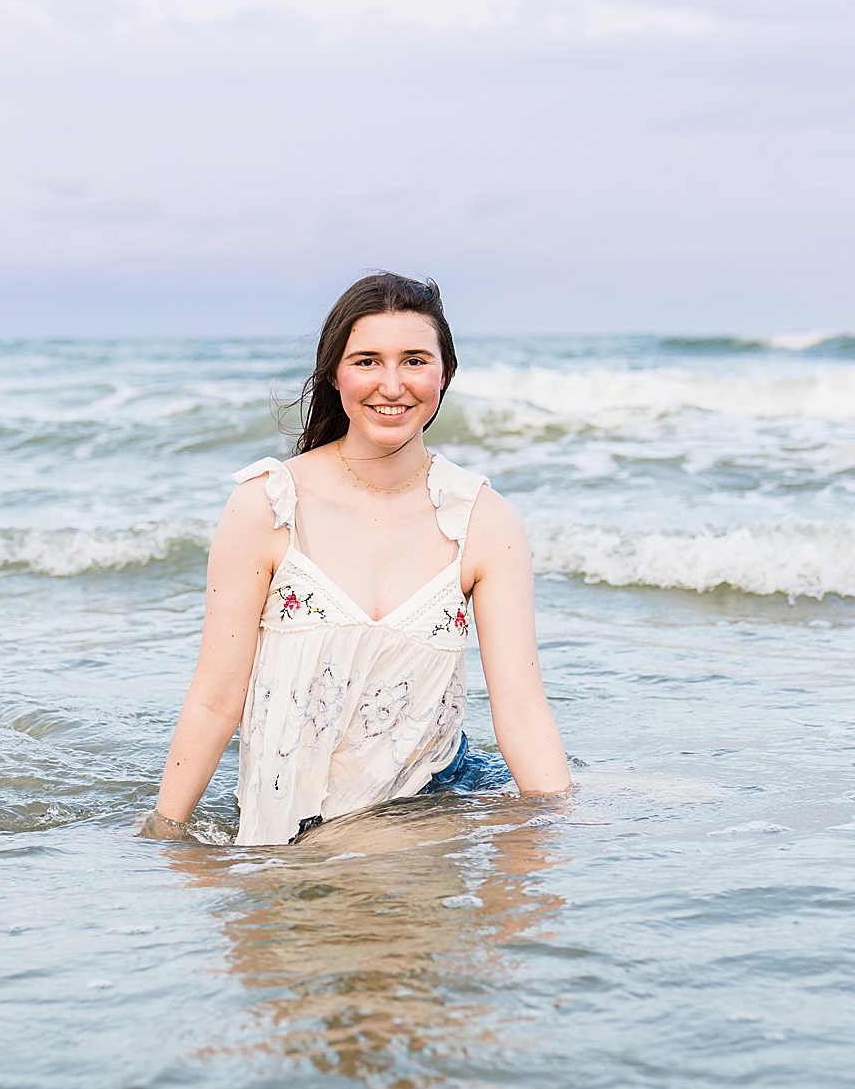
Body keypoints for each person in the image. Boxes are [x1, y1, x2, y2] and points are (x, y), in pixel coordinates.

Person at [141, 272, 572, 846]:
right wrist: (164, 830)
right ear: (334, 375)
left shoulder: (484, 522)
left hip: (433, 800)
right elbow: (216, 697)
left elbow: (520, 710)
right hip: (289, 818)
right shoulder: (267, 507)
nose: (392, 386)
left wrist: (553, 841)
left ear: (444, 375)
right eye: (367, 360)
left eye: (415, 360)